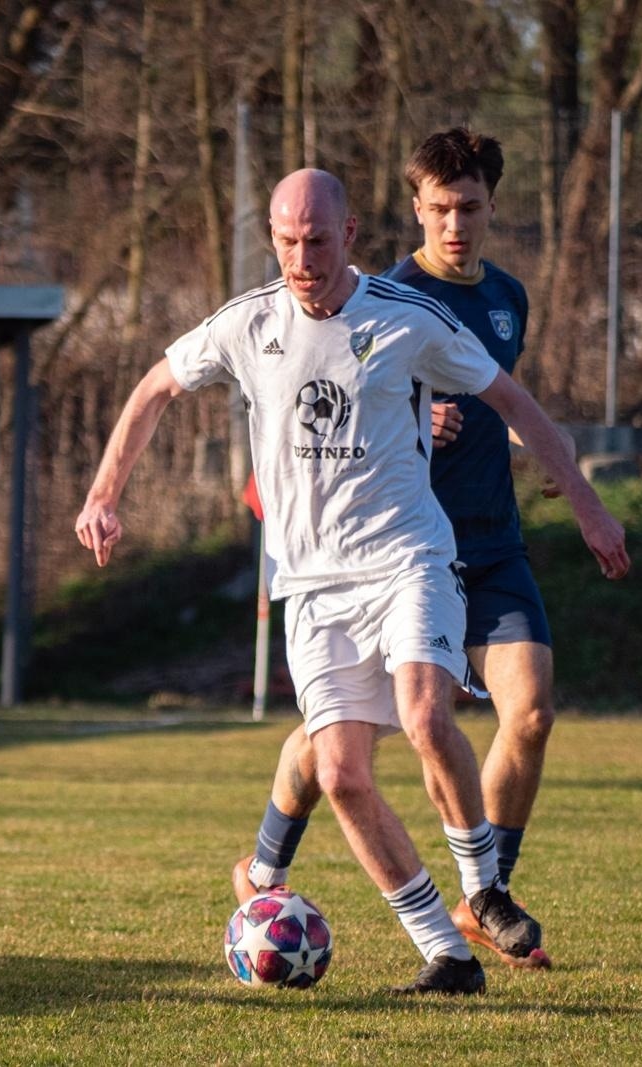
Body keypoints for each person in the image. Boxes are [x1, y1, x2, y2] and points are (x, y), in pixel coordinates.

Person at [77, 169, 629, 994]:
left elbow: (514, 400)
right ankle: (446, 952)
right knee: (338, 773)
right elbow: (155, 387)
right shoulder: (248, 323)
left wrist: (585, 503)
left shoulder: (408, 318)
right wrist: (104, 492)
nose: (302, 258)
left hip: (407, 559)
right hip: (311, 585)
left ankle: (484, 884)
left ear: (352, 234)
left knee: (421, 714)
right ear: (272, 235)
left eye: (319, 240)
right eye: (287, 240)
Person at [230, 128, 569, 970]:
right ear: (414, 210)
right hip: (384, 550)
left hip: (484, 545)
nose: (457, 224)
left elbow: (501, 400)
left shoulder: (507, 299)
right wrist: (426, 420)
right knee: (334, 745)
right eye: (441, 209)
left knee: (523, 711)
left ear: (492, 208)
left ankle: (482, 893)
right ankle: (265, 863)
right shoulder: (385, 295)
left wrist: (568, 476)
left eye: (472, 208)